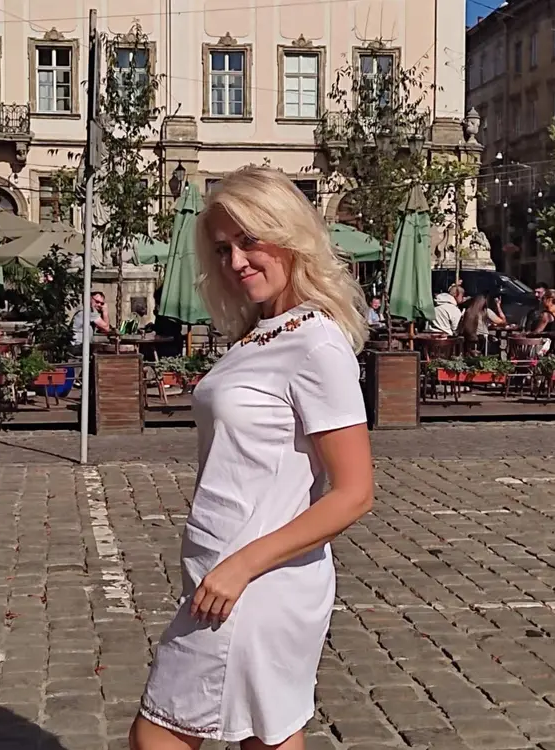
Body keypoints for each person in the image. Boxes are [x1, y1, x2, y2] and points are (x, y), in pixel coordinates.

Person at [130, 167, 373, 750]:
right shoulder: (261, 332)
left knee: (157, 737)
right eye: (223, 248)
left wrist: (241, 566)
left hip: (255, 580)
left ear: (289, 235)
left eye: (249, 241)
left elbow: (354, 492)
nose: (236, 261)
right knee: (268, 735)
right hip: (223, 571)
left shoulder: (316, 342)